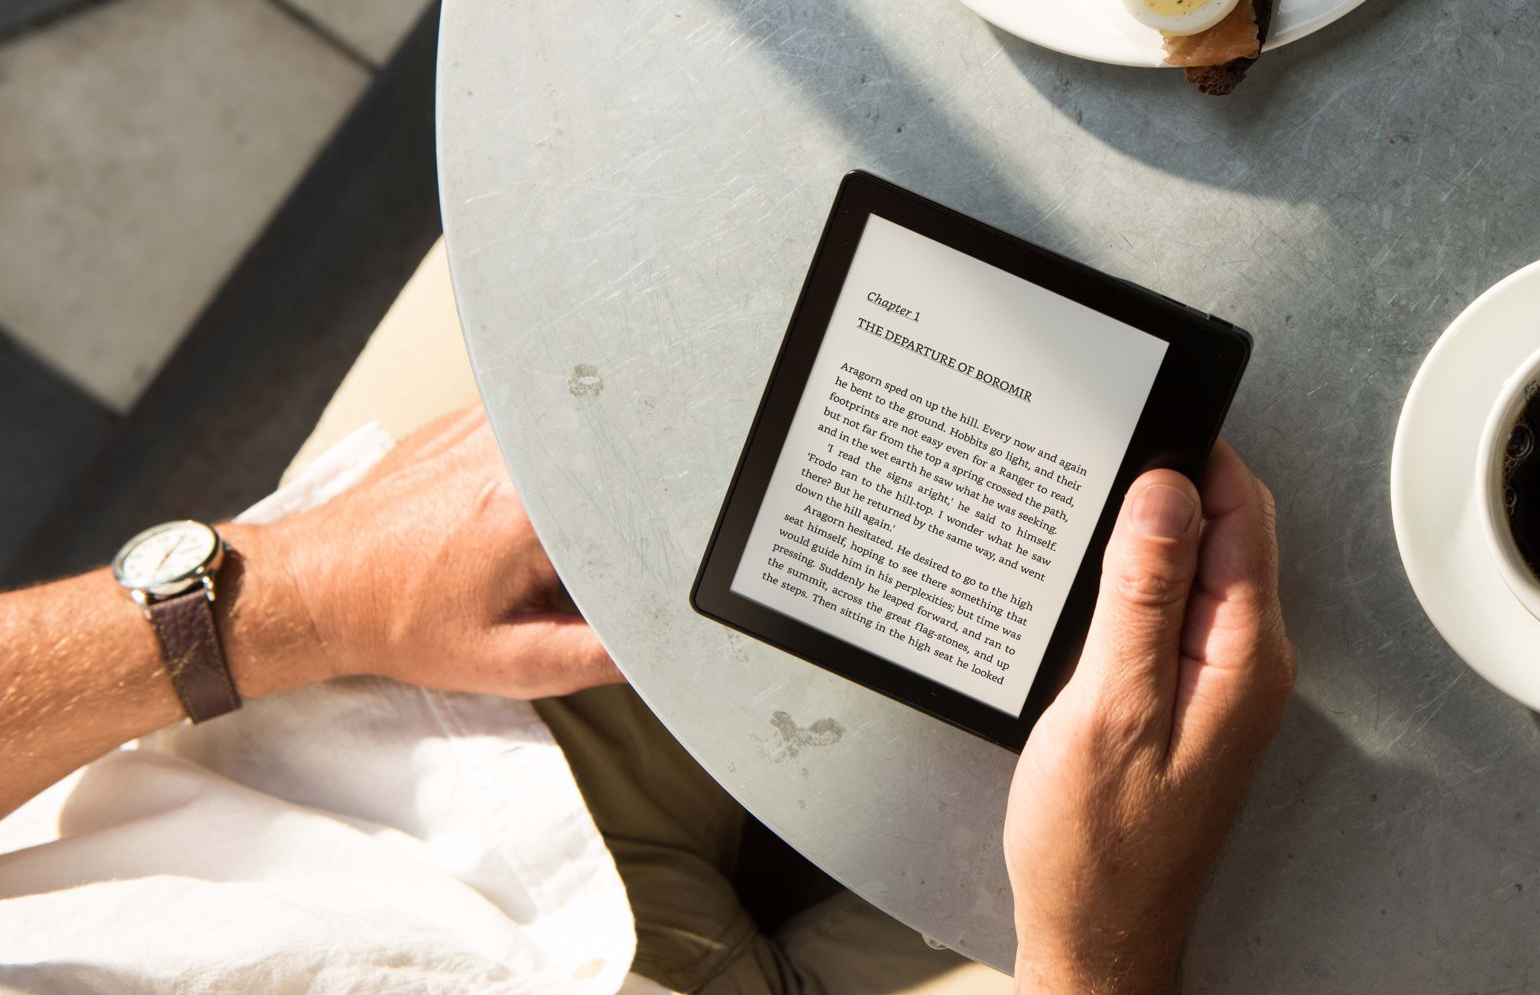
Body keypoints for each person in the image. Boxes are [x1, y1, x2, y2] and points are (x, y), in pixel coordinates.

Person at [0, 405, 1293, 993]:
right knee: (1302, 831)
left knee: (1002, 375)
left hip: (398, 760)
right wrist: (1099, 961)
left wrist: (299, 592)